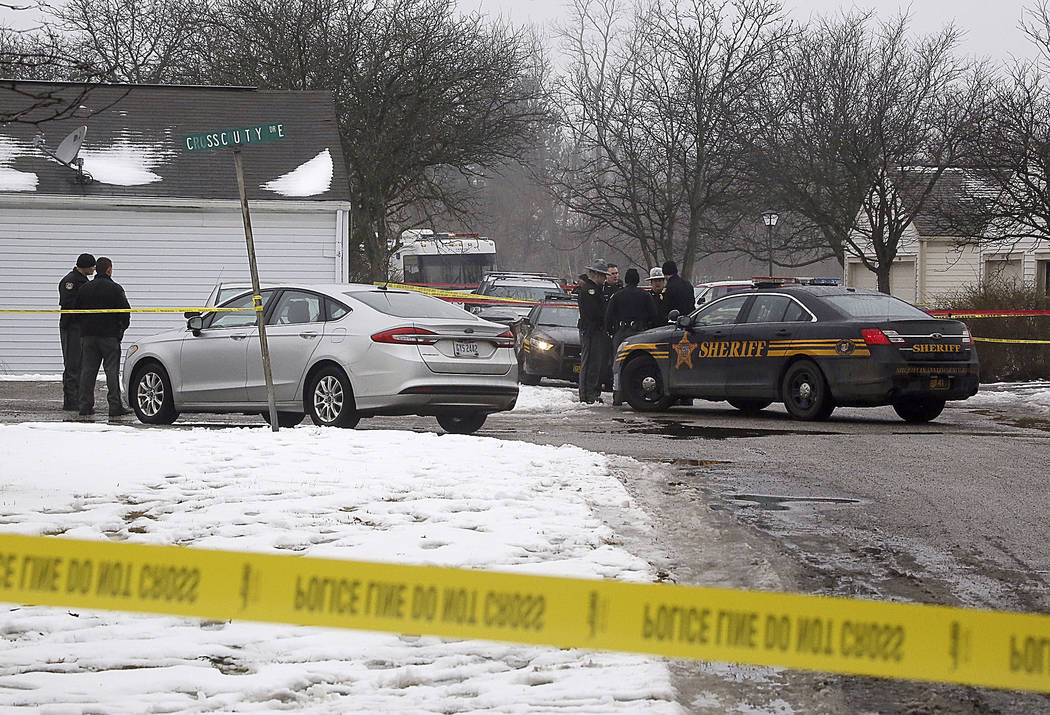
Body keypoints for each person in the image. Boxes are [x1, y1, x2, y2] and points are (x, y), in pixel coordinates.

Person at [74, 257, 131, 418]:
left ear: (96, 269)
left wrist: (84, 330)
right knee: (111, 371)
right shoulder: (115, 289)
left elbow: (76, 312)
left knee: (87, 371)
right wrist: (120, 330)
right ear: (109, 270)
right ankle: (114, 406)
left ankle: (85, 406)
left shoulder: (85, 288)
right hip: (109, 336)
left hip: (88, 336)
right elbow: (125, 312)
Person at [605, 268, 659, 405]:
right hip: (640, 332)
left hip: (622, 332)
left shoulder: (617, 295)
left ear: (626, 280)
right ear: (638, 280)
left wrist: (612, 331)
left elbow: (608, 316)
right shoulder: (645, 295)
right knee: (640, 363)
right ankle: (638, 393)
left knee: (618, 364)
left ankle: (617, 395)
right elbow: (654, 315)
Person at [58, 253, 95, 410]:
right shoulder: (71, 281)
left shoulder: (82, 281)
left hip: (81, 327)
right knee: (72, 364)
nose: (94, 268)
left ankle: (78, 398)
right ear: (85, 266)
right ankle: (71, 401)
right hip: (72, 327)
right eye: (92, 266)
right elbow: (68, 305)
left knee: (81, 364)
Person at [576, 258, 610, 404]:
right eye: (603, 275)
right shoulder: (590, 290)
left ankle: (591, 392)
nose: (604, 278)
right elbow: (594, 312)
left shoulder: (596, 290)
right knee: (589, 362)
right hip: (591, 331)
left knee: (595, 363)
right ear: (596, 274)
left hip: (595, 330)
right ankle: (586, 394)